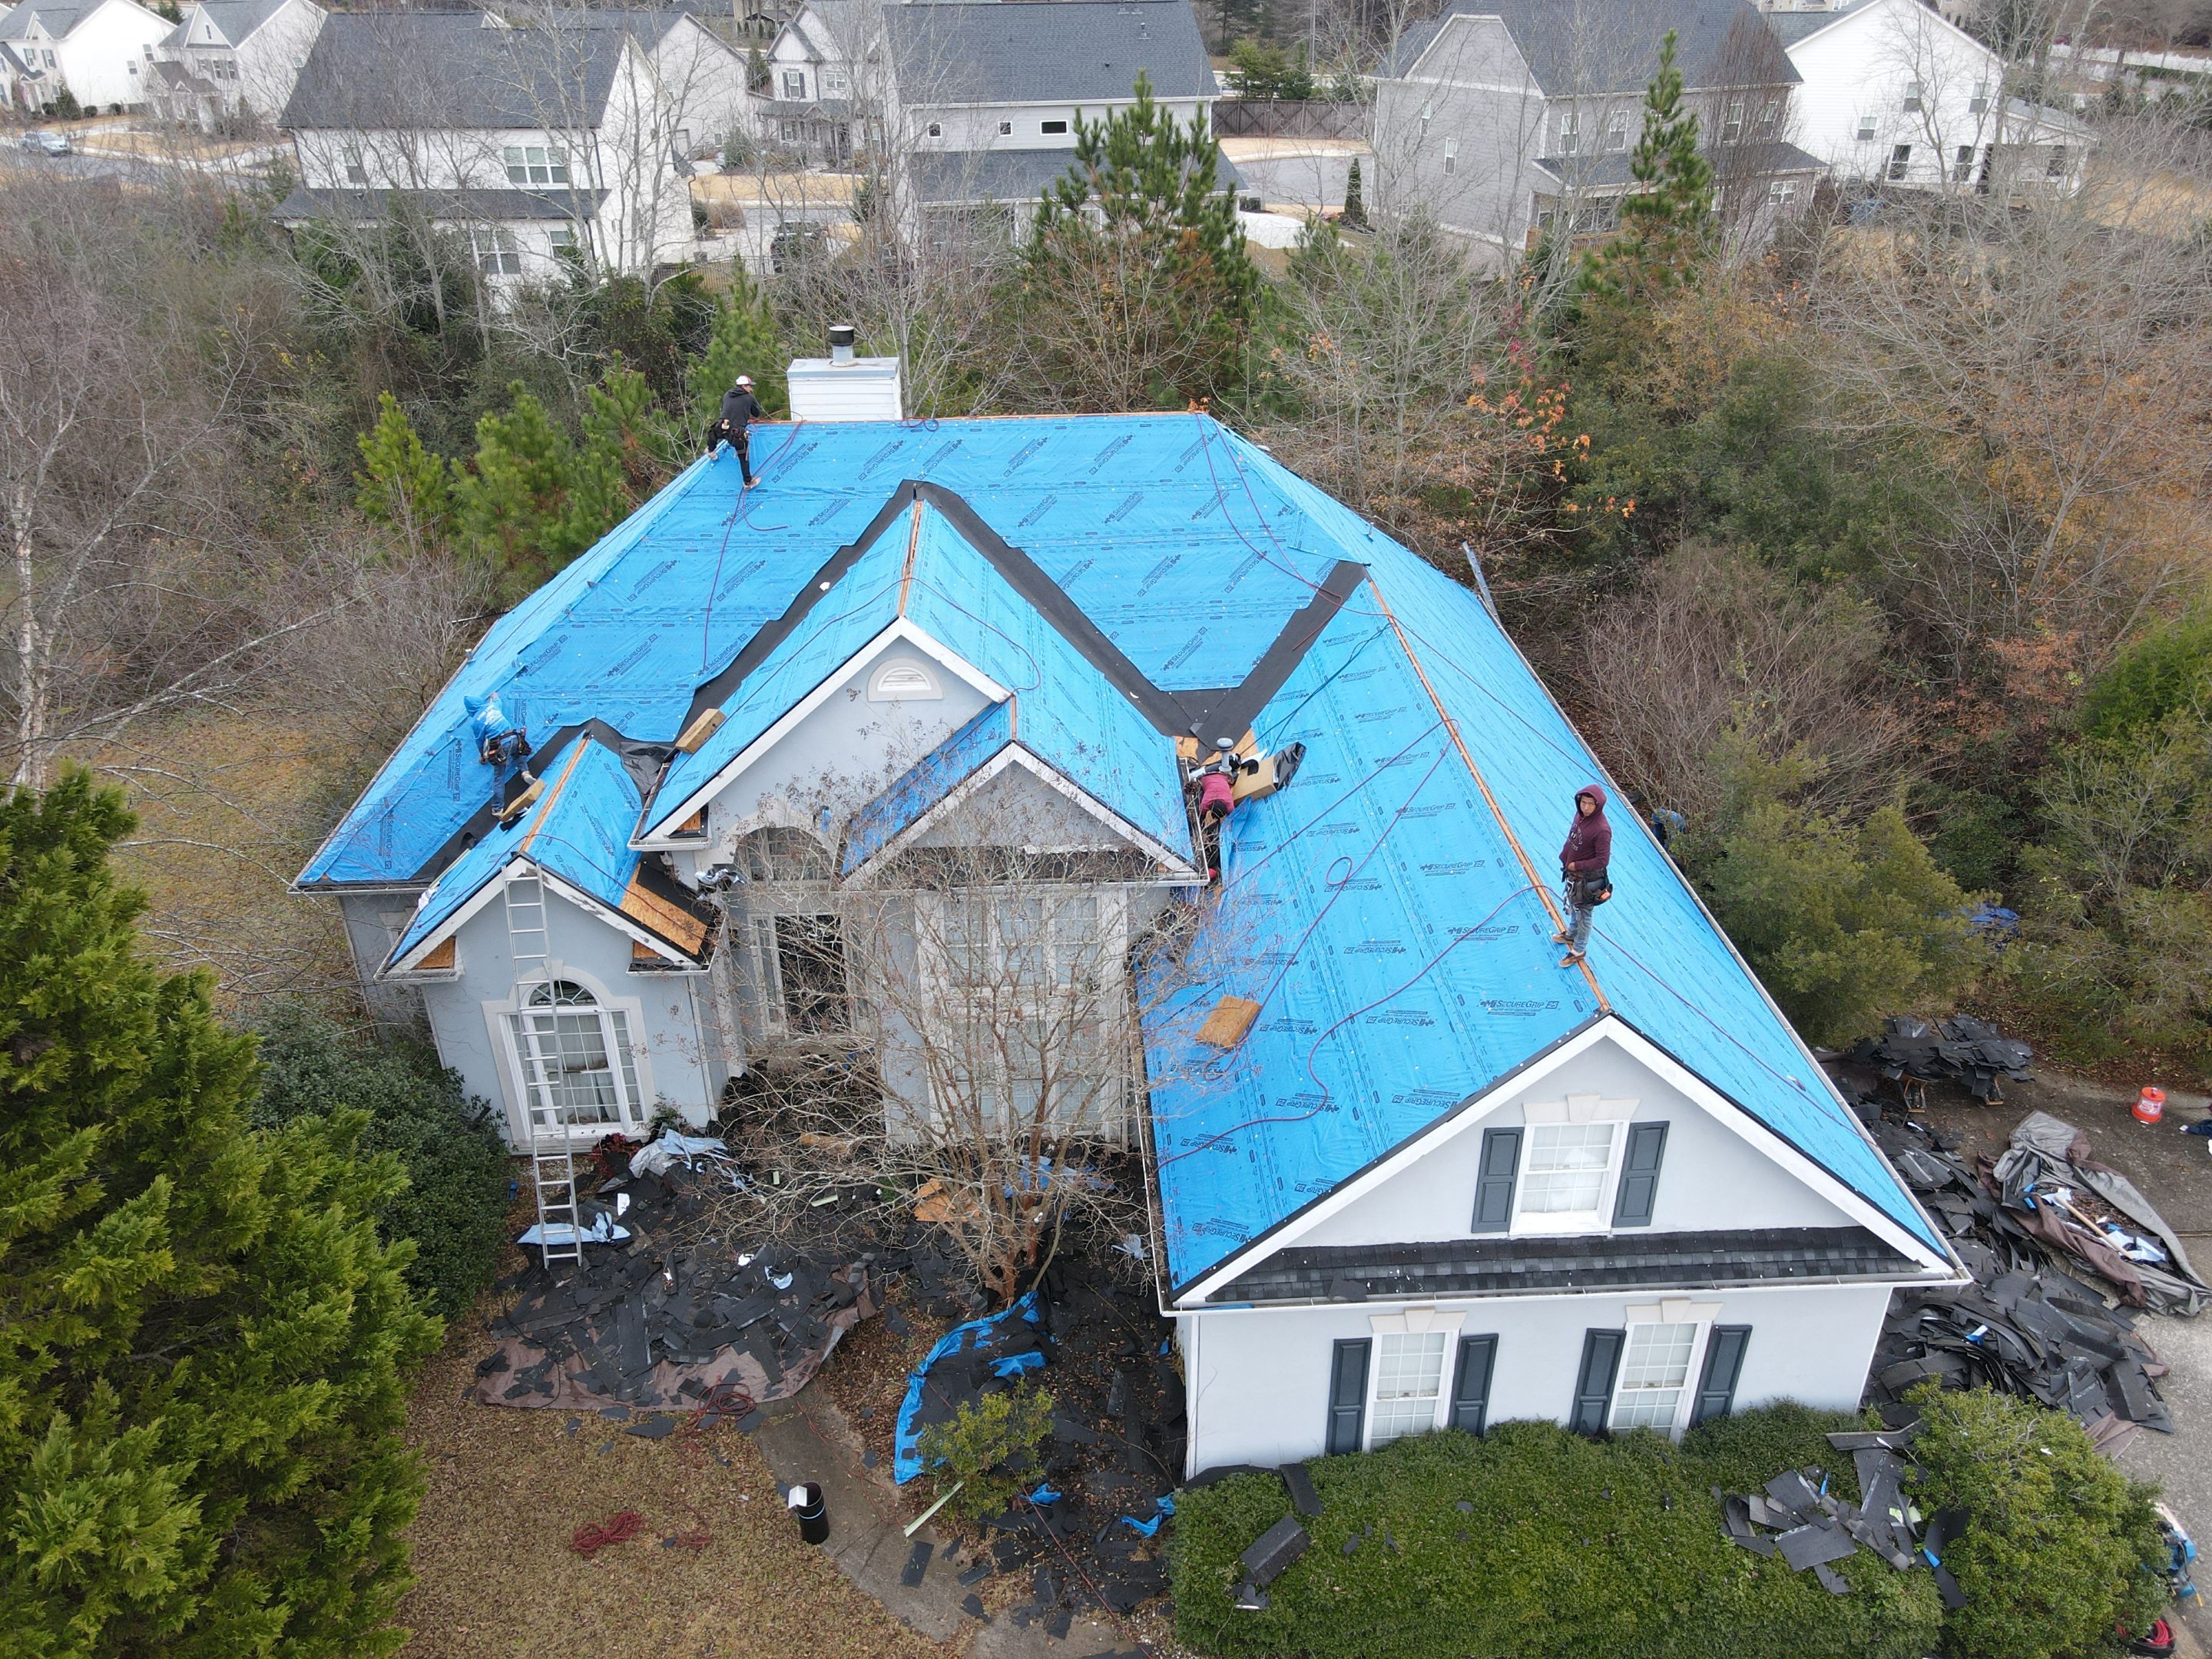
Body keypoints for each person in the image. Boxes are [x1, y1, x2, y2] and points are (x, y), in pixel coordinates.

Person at [1555, 783, 1612, 967]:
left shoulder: (1602, 830)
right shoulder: (1580, 816)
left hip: (1588, 881)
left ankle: (1579, 950)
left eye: (1590, 804)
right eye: (1583, 803)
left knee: (1584, 915)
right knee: (1575, 906)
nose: (1586, 807)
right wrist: (1565, 858)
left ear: (1598, 805)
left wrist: (1576, 865)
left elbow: (1602, 860)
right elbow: (1572, 838)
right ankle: (1571, 934)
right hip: (1573, 876)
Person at [708, 374, 764, 486]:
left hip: (722, 426)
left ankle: (711, 451)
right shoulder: (749, 398)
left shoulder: (727, 394)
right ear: (744, 386)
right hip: (736, 432)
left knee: (713, 433)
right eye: (749, 386)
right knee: (743, 455)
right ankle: (748, 482)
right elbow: (756, 413)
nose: (751, 389)